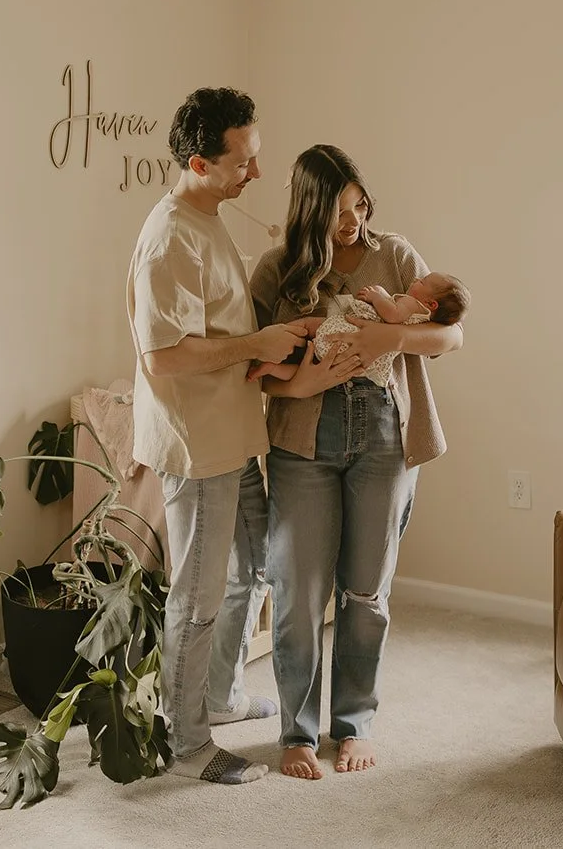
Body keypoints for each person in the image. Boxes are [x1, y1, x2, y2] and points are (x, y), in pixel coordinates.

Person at [248, 144, 465, 780]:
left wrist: (391, 336)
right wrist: (303, 384)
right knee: (297, 592)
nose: (355, 222)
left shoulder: (395, 255)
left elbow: (452, 333)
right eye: (341, 212)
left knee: (365, 592)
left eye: (360, 205)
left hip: (384, 440)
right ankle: (297, 731)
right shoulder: (277, 271)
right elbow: (255, 374)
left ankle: (354, 724)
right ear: (310, 211)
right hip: (302, 444)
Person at [126, 87, 313, 785]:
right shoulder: (170, 236)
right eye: (245, 161)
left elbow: (217, 333)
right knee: (198, 598)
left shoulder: (210, 217)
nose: (257, 173)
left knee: (253, 565)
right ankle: (187, 744)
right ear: (201, 163)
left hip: (233, 436)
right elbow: (163, 356)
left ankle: (219, 695)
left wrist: (265, 349)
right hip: (197, 443)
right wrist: (254, 343)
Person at [249, 272, 470, 389]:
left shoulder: (414, 303)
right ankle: (272, 368)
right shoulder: (423, 309)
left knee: (308, 328)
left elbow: (454, 334)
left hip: (348, 332)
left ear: (432, 305)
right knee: (303, 370)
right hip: (354, 360)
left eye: (421, 281)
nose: (416, 279)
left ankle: (277, 340)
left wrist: (378, 296)